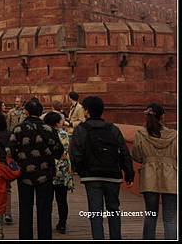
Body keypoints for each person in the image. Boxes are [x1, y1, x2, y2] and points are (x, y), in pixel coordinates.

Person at [69, 96, 134, 240]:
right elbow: (124, 151)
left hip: (92, 176)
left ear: (86, 111)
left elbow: (75, 153)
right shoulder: (112, 129)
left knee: (96, 213)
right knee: (113, 210)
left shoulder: (81, 129)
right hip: (112, 175)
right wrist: (129, 173)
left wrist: (81, 171)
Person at [9, 98, 64, 240]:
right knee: (45, 209)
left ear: (26, 112)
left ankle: (25, 237)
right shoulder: (49, 129)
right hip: (45, 174)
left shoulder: (19, 129)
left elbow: (12, 151)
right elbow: (58, 151)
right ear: (41, 112)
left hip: (24, 175)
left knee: (25, 208)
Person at [131, 103, 177, 240]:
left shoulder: (141, 134)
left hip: (149, 176)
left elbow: (136, 156)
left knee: (151, 215)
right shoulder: (174, 135)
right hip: (171, 177)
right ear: (162, 116)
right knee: (169, 218)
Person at [43, 111, 74, 234]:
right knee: (62, 200)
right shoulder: (64, 134)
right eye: (61, 120)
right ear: (56, 123)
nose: (63, 122)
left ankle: (46, 223)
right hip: (62, 171)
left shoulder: (44, 134)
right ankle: (62, 224)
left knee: (47, 200)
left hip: (49, 170)